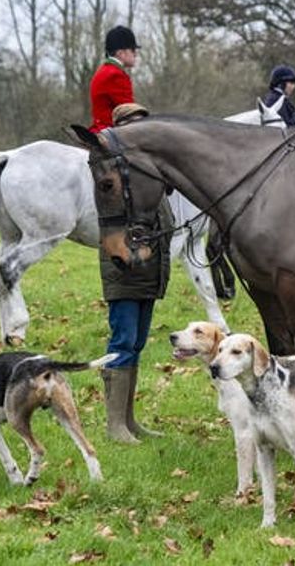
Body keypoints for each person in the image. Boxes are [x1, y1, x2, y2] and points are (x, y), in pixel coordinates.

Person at [88, 26, 171, 443]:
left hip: (147, 275)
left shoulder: (147, 181)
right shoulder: (116, 181)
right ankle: (113, 424)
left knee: (136, 342)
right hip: (126, 272)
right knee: (123, 340)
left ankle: (129, 420)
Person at [89, 25, 140, 133]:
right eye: (132, 49)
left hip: (101, 129)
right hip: (111, 133)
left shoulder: (104, 70)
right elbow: (129, 113)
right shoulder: (115, 75)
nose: (136, 53)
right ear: (120, 53)